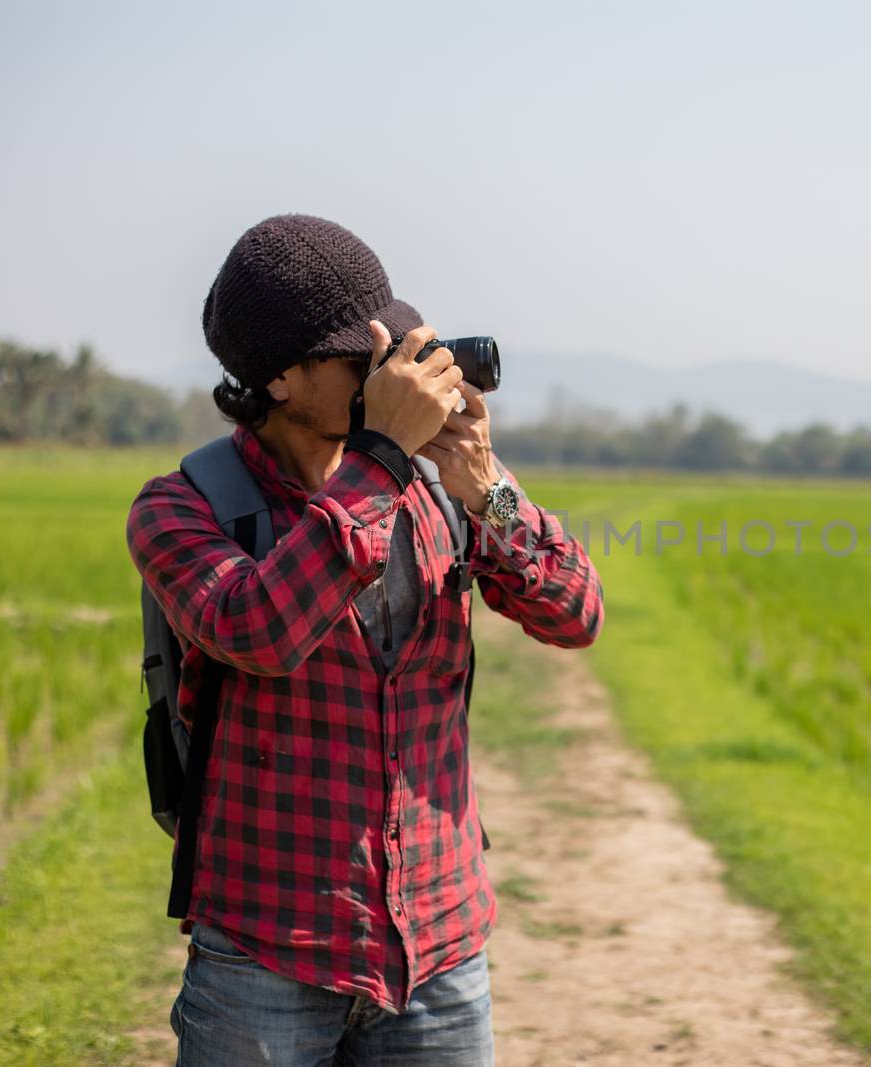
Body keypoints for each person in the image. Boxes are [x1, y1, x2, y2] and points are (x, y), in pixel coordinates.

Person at [126, 213, 604, 1065]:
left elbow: (574, 612)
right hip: (265, 950)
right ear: (277, 378)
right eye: (363, 360)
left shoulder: (439, 484)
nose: (393, 378)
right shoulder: (183, 507)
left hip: (441, 946)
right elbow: (259, 632)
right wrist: (380, 458)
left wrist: (487, 487)